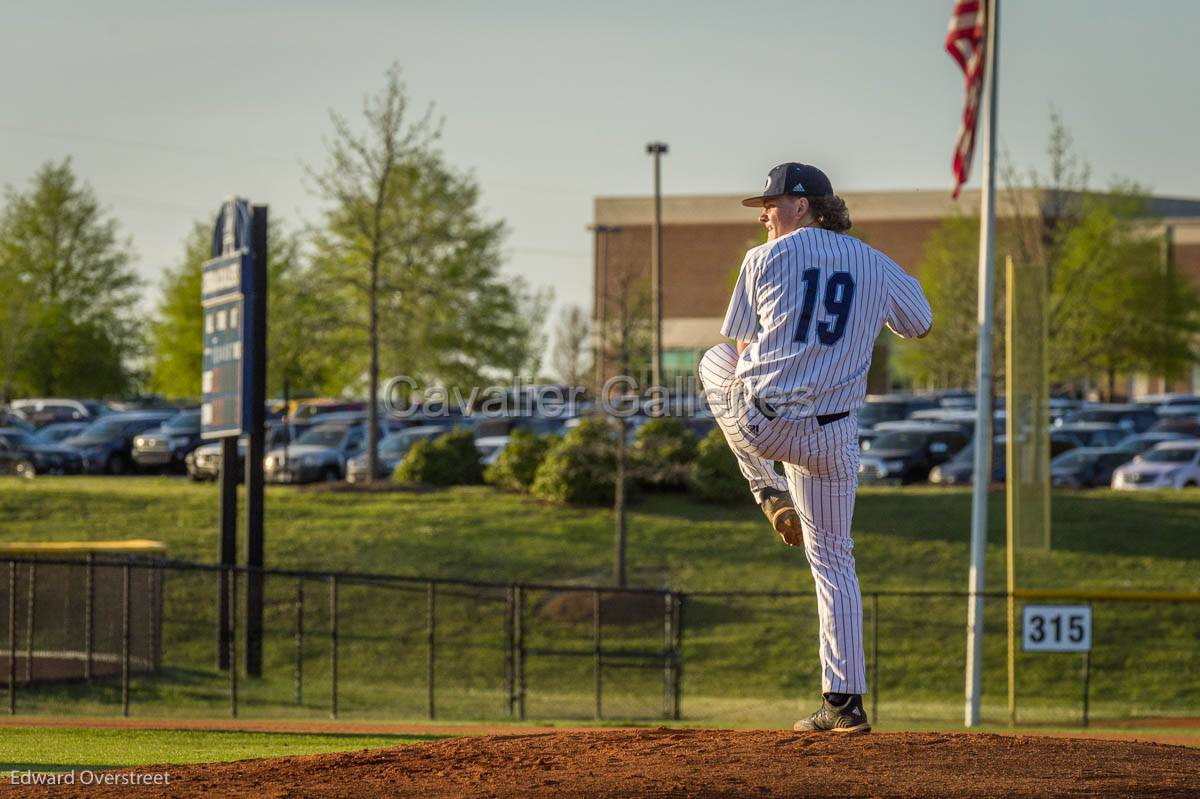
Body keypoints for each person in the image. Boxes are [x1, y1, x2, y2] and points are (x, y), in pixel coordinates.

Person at [698, 162, 932, 733]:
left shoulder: (764, 258)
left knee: (714, 361)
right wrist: (869, 306)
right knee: (834, 561)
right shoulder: (875, 263)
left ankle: (764, 486)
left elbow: (744, 343)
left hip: (766, 423)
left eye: (771, 204)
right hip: (833, 437)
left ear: (803, 206)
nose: (763, 214)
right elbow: (920, 322)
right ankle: (845, 702)